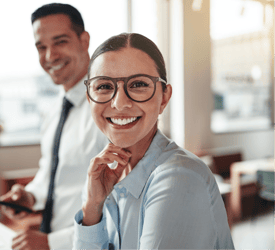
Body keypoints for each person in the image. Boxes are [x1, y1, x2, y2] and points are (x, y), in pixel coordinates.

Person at [73, 33, 235, 249]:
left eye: (138, 84)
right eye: (104, 86)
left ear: (164, 98)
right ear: (89, 97)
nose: (120, 103)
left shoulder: (179, 178)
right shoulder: (101, 176)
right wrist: (92, 207)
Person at [0, 3, 108, 250]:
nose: (49, 56)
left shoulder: (109, 109)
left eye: (60, 42)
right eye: (41, 47)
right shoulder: (54, 109)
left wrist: (52, 243)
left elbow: (122, 201)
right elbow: (53, 172)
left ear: (84, 40)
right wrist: (30, 197)